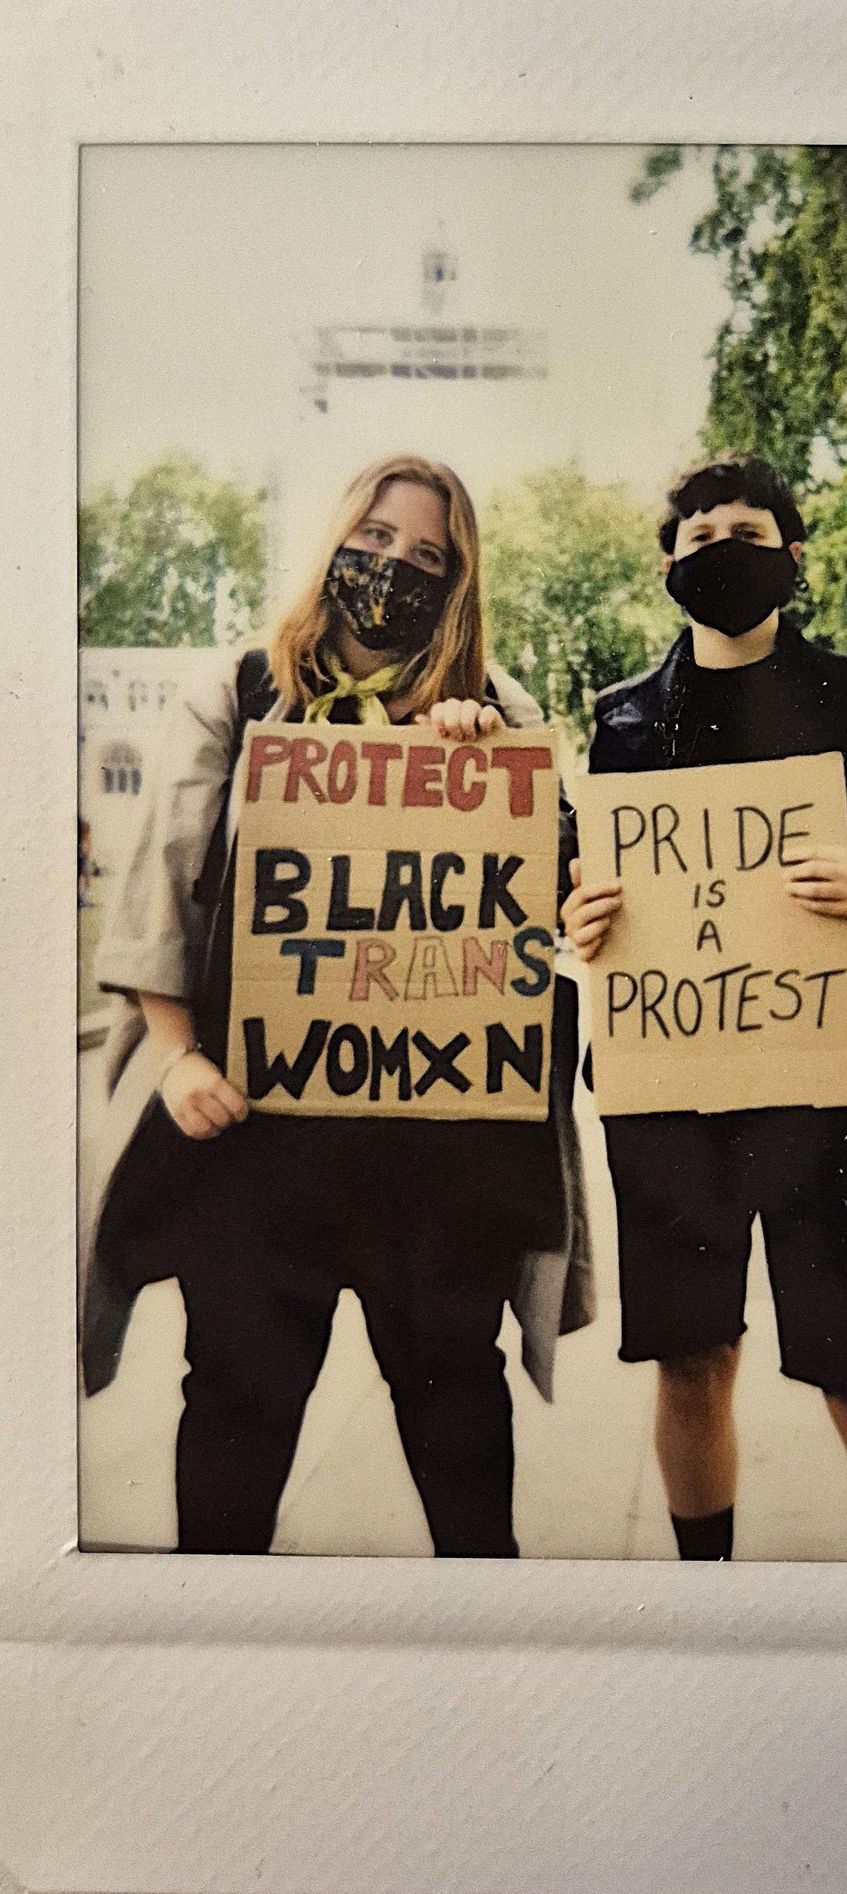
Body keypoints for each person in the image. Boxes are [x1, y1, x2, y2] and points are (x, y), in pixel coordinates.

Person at [80, 454, 593, 1556]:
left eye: (425, 556)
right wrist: (177, 1059)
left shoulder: (500, 707)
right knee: (235, 1416)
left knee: (459, 1415)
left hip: (439, 1163)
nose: (391, 569)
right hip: (259, 1149)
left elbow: (552, 912)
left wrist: (488, 781)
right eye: (373, 542)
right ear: (333, 544)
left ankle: (494, 1668)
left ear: (457, 581)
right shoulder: (235, 691)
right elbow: (160, 893)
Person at [562, 454, 847, 1563]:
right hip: (679, 1102)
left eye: (748, 532)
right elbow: (594, 895)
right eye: (699, 539)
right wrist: (584, 916)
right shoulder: (625, 722)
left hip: (841, 1098)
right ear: (666, 566)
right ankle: (707, 1605)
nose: (724, 552)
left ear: (795, 555)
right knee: (693, 1368)